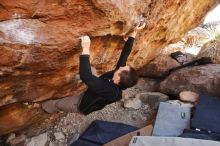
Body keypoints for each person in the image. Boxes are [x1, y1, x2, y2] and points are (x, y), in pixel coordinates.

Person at [41, 23, 146, 115]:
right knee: (90, 70)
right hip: (95, 88)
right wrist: (134, 33)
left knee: (57, 103)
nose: (121, 66)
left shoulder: (110, 91)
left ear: (118, 79)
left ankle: (45, 107)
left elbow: (86, 77)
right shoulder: (120, 77)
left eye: (122, 68)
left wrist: (86, 47)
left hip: (80, 103)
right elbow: (125, 54)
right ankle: (79, 80)